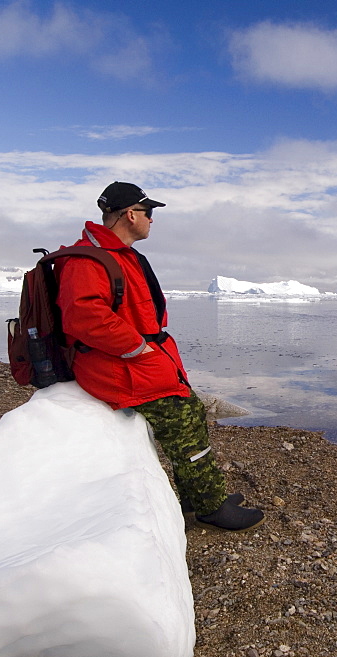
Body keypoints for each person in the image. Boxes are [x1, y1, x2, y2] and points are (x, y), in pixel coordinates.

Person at [54, 181, 264, 532]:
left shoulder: (118, 254)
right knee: (182, 419)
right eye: (148, 212)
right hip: (119, 368)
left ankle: (197, 497)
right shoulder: (88, 260)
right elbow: (83, 316)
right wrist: (139, 347)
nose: (152, 219)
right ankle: (210, 507)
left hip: (136, 362)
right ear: (130, 214)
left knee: (192, 411)